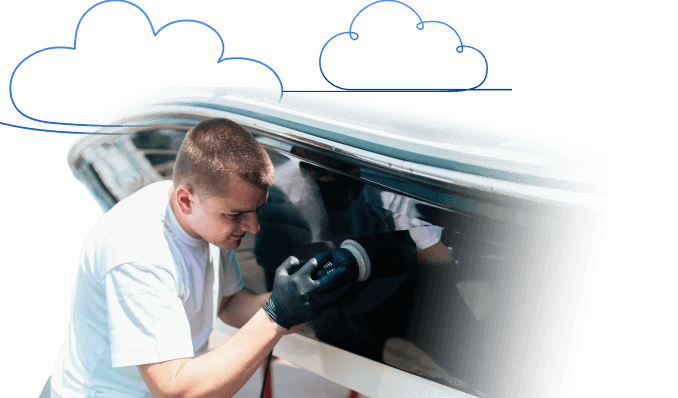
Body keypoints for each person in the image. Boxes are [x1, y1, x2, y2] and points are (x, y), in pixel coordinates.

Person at [49, 118, 350, 398]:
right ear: (185, 199)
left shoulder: (203, 220)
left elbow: (228, 305)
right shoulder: (137, 252)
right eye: (236, 214)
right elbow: (175, 389)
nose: (254, 226)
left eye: (258, 209)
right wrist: (275, 316)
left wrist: (294, 298)